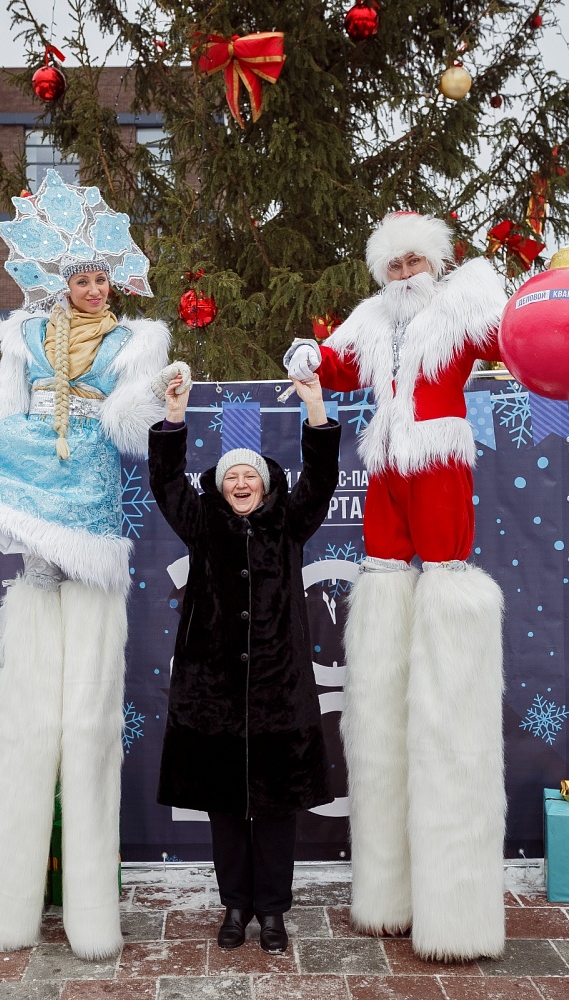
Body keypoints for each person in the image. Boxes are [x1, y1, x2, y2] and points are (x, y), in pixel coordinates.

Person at [0, 169, 169, 960]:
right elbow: (6, 408)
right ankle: (12, 908)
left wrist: (154, 396)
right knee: (38, 625)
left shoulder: (133, 342)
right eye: (81, 280)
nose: (93, 290)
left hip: (87, 483)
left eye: (101, 280)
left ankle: (91, 912)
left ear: (112, 284)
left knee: (86, 692)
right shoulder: (26, 336)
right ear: (62, 283)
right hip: (32, 465)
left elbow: (129, 429)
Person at [284, 212, 508, 962]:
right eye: (394, 265)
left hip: (439, 452)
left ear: (434, 263)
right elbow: (336, 363)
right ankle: (386, 891)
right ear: (381, 272)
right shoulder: (372, 321)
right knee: (383, 570)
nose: (405, 274)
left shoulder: (462, 306)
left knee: (444, 570)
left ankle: (453, 898)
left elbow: (504, 337)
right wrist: (310, 355)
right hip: (385, 461)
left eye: (415, 261)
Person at [148, 366, 341, 953]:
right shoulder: (201, 522)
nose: (239, 482)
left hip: (279, 696)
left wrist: (314, 409)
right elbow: (167, 480)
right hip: (214, 699)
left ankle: (273, 913)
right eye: (230, 476)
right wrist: (174, 415)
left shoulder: (289, 523)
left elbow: (321, 479)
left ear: (264, 485)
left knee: (277, 813)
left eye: (248, 475)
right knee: (226, 813)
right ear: (219, 486)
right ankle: (235, 906)